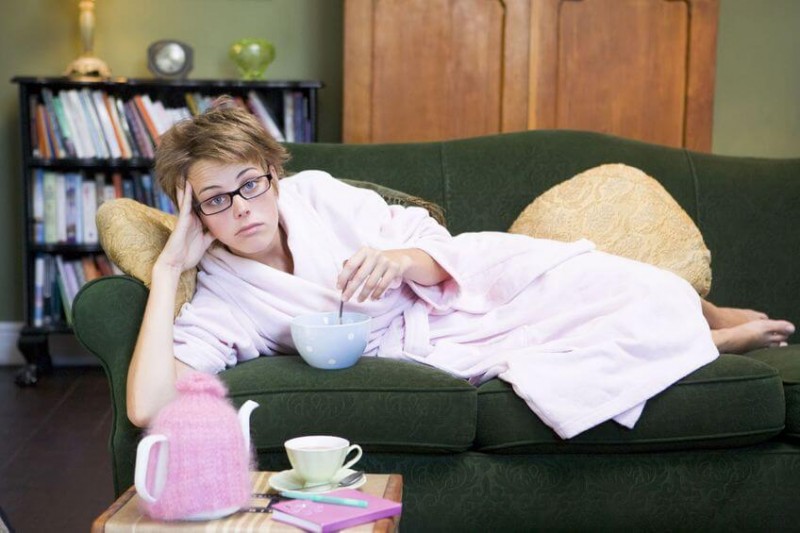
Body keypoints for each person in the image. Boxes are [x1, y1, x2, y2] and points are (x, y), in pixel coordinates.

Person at [126, 101, 795, 435]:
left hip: (462, 275)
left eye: (250, 184)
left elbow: (423, 235)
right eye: (215, 199)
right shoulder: (223, 293)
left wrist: (396, 261)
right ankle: (706, 342)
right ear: (194, 213)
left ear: (273, 173)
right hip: (434, 339)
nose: (242, 208)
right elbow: (148, 404)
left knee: (622, 278)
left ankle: (707, 313)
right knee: (571, 355)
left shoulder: (318, 194)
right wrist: (166, 274)